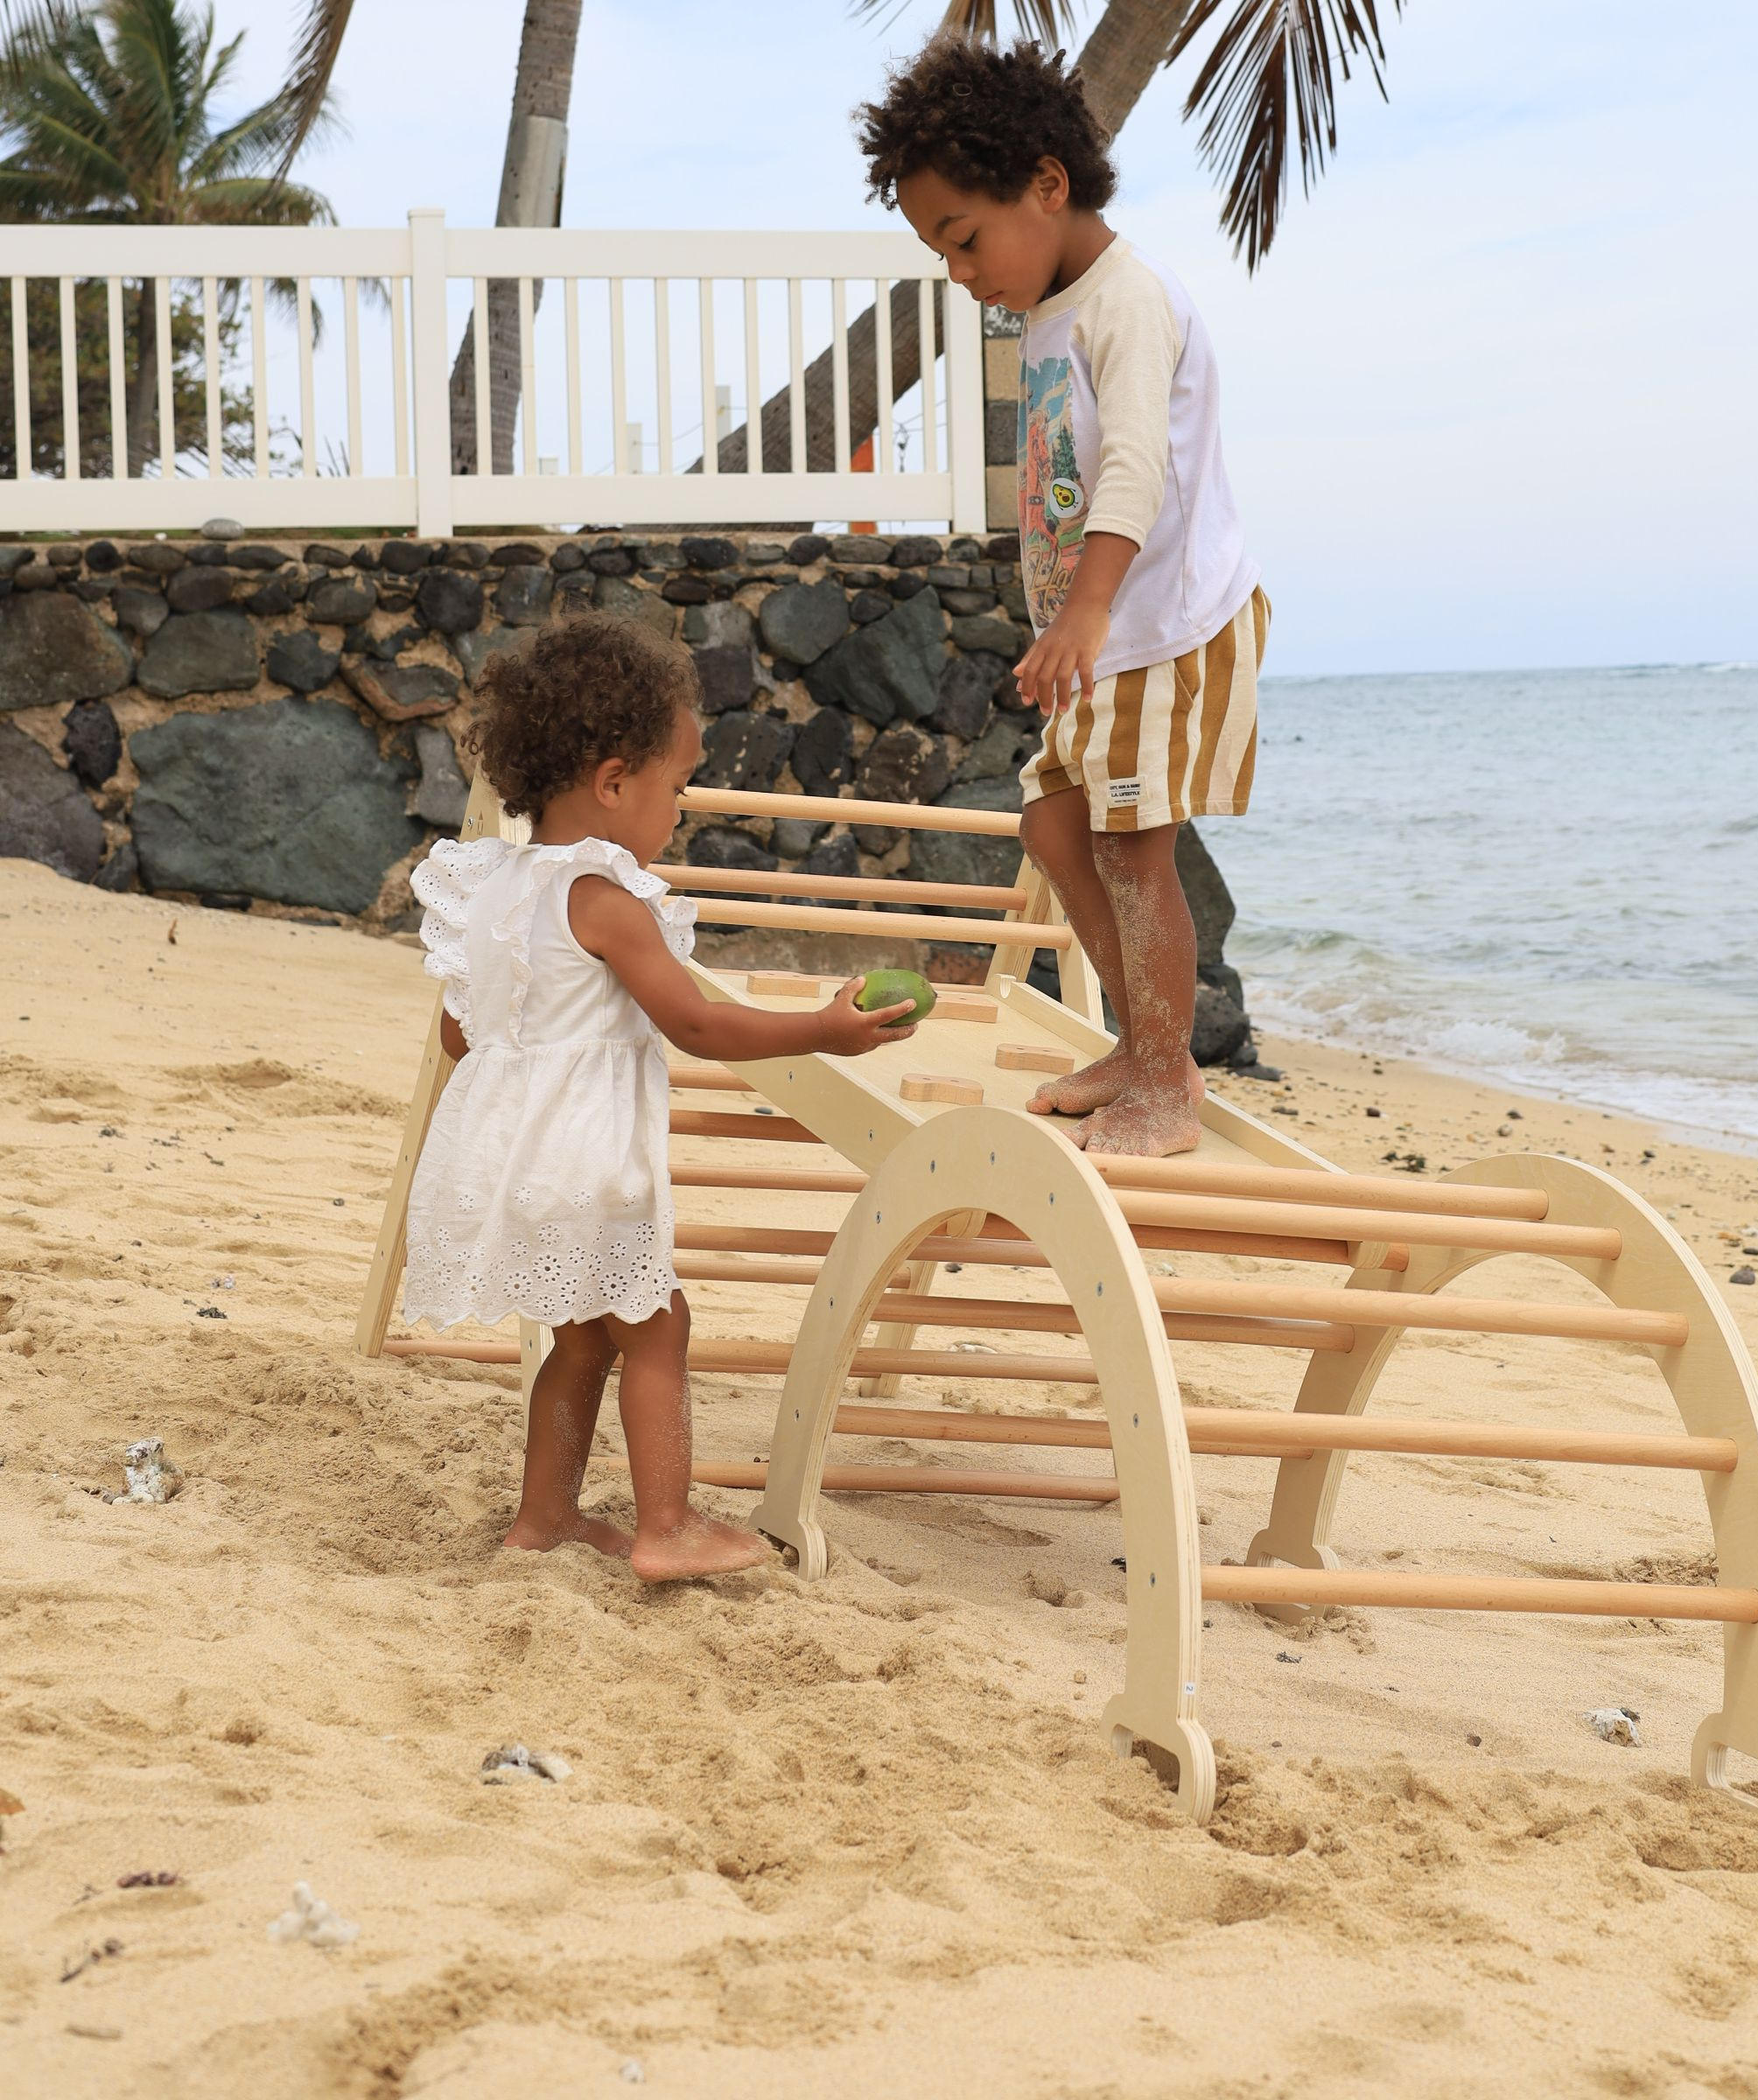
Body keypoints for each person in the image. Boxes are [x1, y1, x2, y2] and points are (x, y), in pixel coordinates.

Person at [402, 614, 917, 1580]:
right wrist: (825, 1028)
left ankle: (544, 1518)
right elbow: (699, 1025)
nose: (679, 813)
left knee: (584, 1332)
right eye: (675, 789)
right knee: (657, 1320)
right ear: (611, 782)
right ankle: (667, 1524)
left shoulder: (498, 887)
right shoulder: (605, 901)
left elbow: (457, 1033)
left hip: (509, 1153)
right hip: (587, 1155)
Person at [858, 35, 1268, 1158]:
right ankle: (1148, 1049)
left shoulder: (1126, 302)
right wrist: (1073, 620)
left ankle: (1164, 1085)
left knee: (1136, 846)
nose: (958, 271)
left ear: (1047, 183)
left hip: (1166, 625)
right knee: (1052, 822)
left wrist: (1084, 611)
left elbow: (1132, 466)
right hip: (1103, 633)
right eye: (939, 250)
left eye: (963, 238)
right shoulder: (1049, 309)